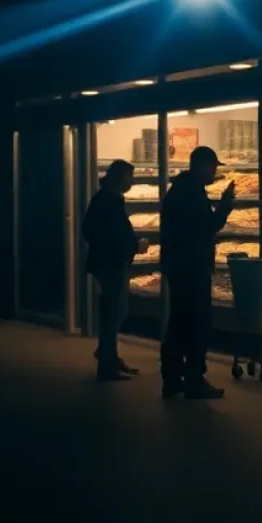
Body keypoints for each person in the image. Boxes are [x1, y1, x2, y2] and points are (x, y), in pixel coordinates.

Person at [159, 145, 236, 399]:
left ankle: (172, 379)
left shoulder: (181, 190)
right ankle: (193, 379)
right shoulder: (191, 194)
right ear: (202, 166)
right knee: (196, 324)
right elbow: (205, 228)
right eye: (213, 167)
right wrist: (224, 207)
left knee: (179, 324)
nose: (215, 172)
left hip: (179, 267)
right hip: (191, 268)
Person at [82, 159, 146, 382]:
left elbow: (88, 230)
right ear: (120, 177)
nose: (133, 181)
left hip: (105, 262)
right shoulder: (111, 200)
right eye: (130, 176)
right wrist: (134, 246)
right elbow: (115, 232)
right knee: (115, 311)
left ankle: (109, 353)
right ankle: (107, 363)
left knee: (116, 310)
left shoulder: (103, 198)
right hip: (112, 263)